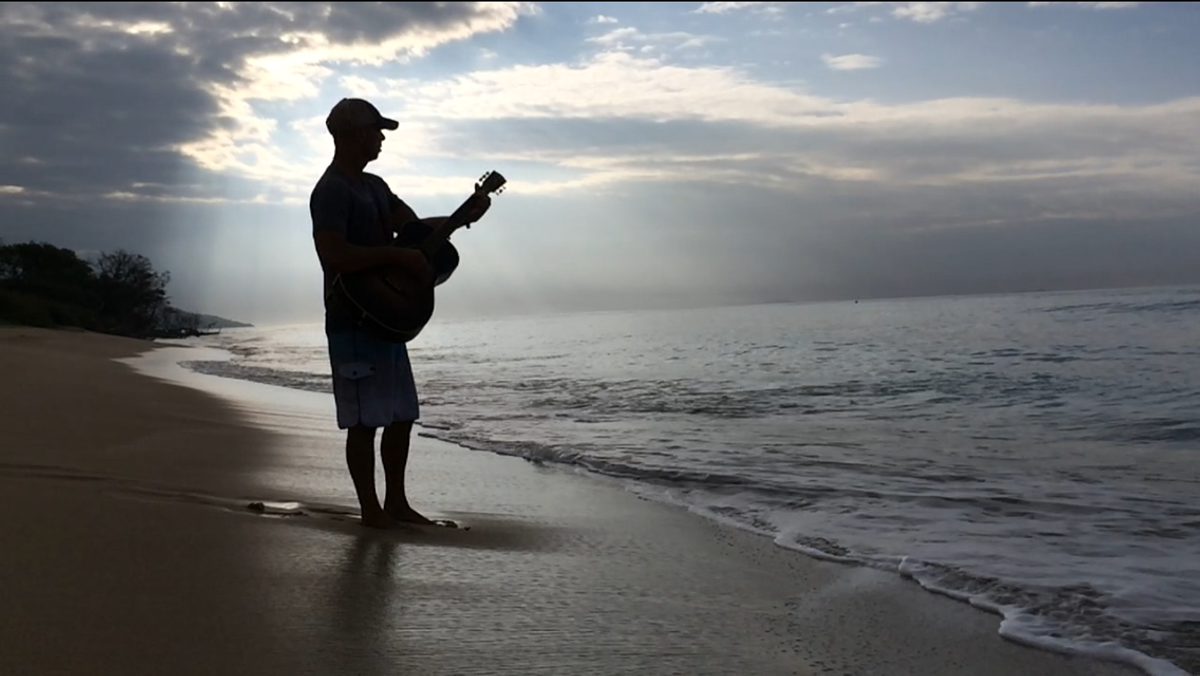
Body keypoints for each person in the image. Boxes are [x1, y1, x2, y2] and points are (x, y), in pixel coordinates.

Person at [309, 97, 490, 530]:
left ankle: (397, 503)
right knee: (363, 421)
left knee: (401, 414)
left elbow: (413, 230)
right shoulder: (332, 189)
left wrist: (460, 217)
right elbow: (333, 254)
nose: (382, 138)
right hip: (352, 318)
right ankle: (370, 510)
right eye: (376, 130)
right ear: (353, 134)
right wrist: (395, 256)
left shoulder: (375, 187)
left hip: (387, 318)